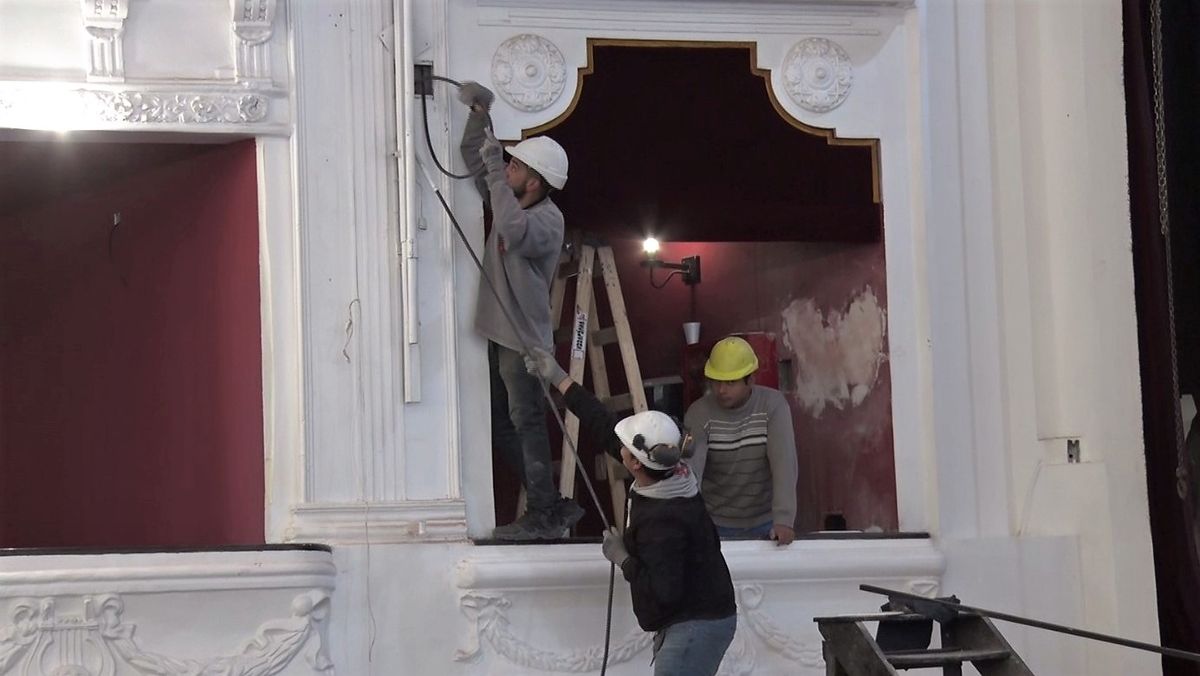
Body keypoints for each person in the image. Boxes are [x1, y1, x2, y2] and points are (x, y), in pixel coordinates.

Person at [524, 347, 737, 676]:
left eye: (624, 448)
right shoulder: (674, 474)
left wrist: (624, 559)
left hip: (694, 629)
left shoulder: (663, 522)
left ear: (635, 462)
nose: (617, 447)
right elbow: (602, 424)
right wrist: (558, 377)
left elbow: (663, 595)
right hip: (704, 618)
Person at [458, 82, 580, 540]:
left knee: (525, 421)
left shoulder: (548, 220)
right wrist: (479, 112)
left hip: (524, 342)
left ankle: (544, 512)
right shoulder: (512, 196)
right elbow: (475, 156)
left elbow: (511, 224)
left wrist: (494, 166)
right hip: (499, 331)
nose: (506, 168)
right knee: (501, 423)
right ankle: (546, 506)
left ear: (534, 180)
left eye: (515, 165)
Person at [684, 336, 799, 545]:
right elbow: (692, 472)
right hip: (714, 523)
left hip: (765, 522)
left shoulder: (773, 406)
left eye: (731, 382)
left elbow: (784, 464)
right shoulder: (699, 413)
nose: (722, 390)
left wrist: (784, 520)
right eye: (717, 381)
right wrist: (689, 524)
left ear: (751, 380)